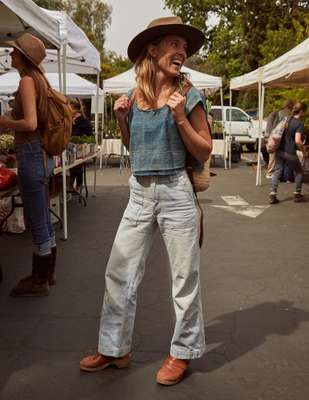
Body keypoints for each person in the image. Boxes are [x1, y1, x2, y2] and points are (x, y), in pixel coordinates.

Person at [79, 16, 212, 385]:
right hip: (139, 193)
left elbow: (205, 148)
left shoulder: (188, 95)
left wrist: (180, 117)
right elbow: (135, 147)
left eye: (184, 47)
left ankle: (182, 353)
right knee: (119, 272)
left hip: (176, 192)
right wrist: (123, 120)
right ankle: (114, 349)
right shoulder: (136, 96)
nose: (181, 52)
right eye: (174, 44)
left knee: (184, 278)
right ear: (152, 50)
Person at [0, 33, 56, 296]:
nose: (10, 55)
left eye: (13, 52)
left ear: (22, 56)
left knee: (36, 219)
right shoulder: (40, 80)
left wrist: (5, 121)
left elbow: (30, 124)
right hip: (42, 153)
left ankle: (39, 280)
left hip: (31, 152)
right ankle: (47, 274)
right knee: (42, 215)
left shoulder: (26, 81)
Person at [269, 102, 307, 204]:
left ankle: (272, 194)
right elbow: (298, 141)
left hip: (280, 150)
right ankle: (297, 194)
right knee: (299, 172)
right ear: (302, 111)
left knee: (277, 172)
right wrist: (304, 152)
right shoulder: (299, 123)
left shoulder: (286, 119)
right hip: (290, 152)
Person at [265, 99, 294, 178]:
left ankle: (273, 172)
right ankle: (270, 173)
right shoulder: (284, 114)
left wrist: (267, 136)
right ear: (289, 106)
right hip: (276, 137)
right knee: (274, 156)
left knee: (274, 155)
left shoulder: (276, 113)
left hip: (272, 136)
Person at [69, 98, 93, 193]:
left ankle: (76, 186)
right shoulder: (70, 121)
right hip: (70, 149)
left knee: (76, 167)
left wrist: (81, 143)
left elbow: (89, 136)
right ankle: (70, 187)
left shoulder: (83, 121)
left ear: (75, 110)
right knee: (71, 168)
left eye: (69, 108)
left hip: (81, 150)